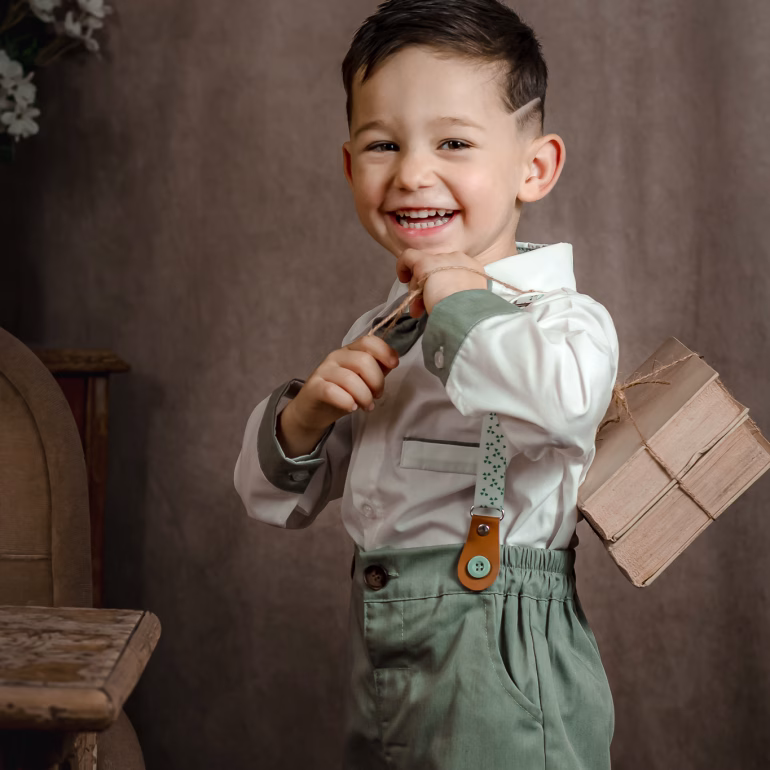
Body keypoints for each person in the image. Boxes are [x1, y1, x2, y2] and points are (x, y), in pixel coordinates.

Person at [234, 0, 619, 767]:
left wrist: (457, 297)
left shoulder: (565, 322)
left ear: (533, 167)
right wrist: (305, 418)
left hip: (500, 659)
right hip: (378, 647)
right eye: (383, 144)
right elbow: (276, 499)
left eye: (453, 141)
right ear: (349, 166)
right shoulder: (380, 328)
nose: (412, 173)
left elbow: (565, 405)